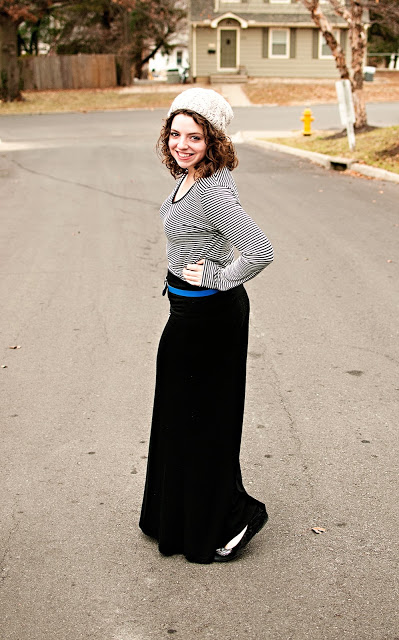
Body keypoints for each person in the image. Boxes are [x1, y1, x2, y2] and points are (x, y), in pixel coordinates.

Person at [139, 88, 274, 564]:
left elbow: (260, 251)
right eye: (175, 134)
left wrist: (217, 276)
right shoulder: (189, 178)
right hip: (188, 311)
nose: (181, 144)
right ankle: (174, 517)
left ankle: (231, 518)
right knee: (180, 417)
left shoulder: (213, 190)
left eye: (194, 137)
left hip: (210, 318)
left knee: (202, 420)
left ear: (213, 140)